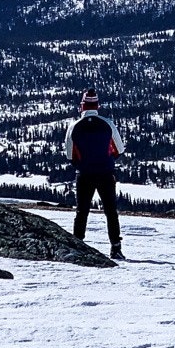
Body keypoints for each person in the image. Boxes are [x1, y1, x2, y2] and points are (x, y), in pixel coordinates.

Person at [63, 88, 127, 260]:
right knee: (111, 211)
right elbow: (119, 149)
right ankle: (115, 247)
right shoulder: (107, 123)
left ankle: (78, 244)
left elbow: (70, 155)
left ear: (81, 106)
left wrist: (82, 164)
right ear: (97, 105)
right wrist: (107, 159)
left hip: (84, 174)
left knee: (82, 211)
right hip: (106, 173)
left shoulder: (74, 127)